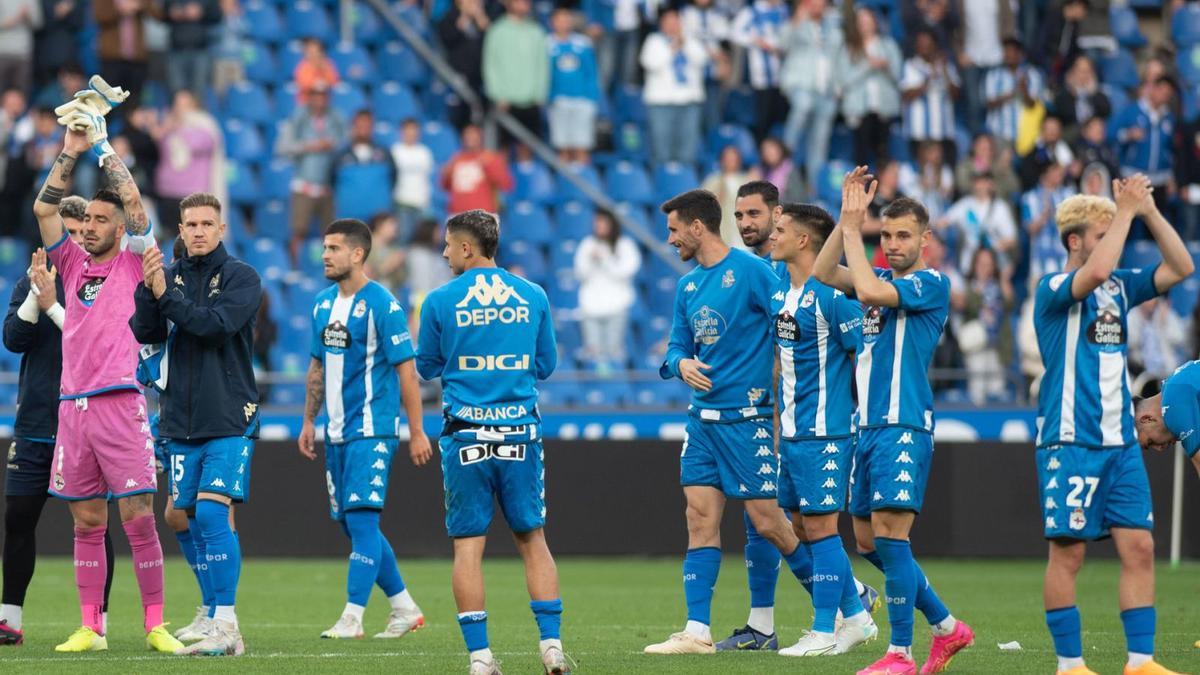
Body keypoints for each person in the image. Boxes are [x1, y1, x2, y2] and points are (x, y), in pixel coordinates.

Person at [644, 189, 832, 657]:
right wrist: (680, 364)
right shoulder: (688, 287)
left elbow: (789, 326)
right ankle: (696, 630)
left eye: (673, 230)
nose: (669, 240)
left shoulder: (753, 273)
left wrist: (777, 397)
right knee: (698, 517)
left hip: (746, 419)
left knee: (769, 523)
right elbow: (672, 349)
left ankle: (844, 607)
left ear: (696, 227)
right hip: (702, 423)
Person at [32, 85, 183, 654]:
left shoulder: (134, 258)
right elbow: (47, 208)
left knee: (139, 515)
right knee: (86, 521)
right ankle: (91, 627)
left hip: (122, 399)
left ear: (119, 228)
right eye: (87, 218)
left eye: (100, 219)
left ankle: (154, 625)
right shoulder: (69, 261)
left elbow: (138, 206)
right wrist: (69, 147)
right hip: (74, 406)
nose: (89, 225)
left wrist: (102, 147)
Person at [814, 167, 975, 675]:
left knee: (891, 537)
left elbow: (862, 287)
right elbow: (821, 274)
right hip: (869, 427)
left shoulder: (930, 283)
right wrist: (846, 221)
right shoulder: (879, 277)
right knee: (867, 542)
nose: (892, 243)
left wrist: (856, 235)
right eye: (885, 235)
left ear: (925, 239)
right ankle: (948, 628)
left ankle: (900, 653)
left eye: (902, 235)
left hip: (904, 423)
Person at [1033, 178, 1192, 675]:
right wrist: (1123, 211)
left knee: (1140, 546)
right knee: (1069, 553)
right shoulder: (1053, 288)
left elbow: (1183, 266)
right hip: (1070, 438)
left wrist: (1147, 211)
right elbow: (1097, 267)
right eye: (1103, 234)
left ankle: (1140, 662)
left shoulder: (1118, 287)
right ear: (1074, 241)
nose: (1115, 243)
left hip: (1119, 440)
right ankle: (1070, 664)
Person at [415, 209, 569, 675]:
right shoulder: (533, 294)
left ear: (467, 247)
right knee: (533, 540)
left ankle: (481, 658)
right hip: (520, 432)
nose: (443, 252)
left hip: (465, 435)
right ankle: (552, 649)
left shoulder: (440, 300)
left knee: (468, 548)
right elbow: (546, 365)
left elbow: (425, 367)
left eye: (447, 245)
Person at [129, 192, 260, 656]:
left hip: (228, 414)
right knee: (183, 514)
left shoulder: (243, 278)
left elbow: (213, 326)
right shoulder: (171, 276)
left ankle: (228, 625)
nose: (199, 231)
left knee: (209, 512)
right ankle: (210, 613)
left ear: (222, 229)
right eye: (191, 224)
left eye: (208, 223)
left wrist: (165, 296)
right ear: (180, 231)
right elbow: (145, 331)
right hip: (180, 419)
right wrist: (148, 290)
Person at [299, 219, 430, 641]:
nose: (325, 255)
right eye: (324, 247)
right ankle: (404, 607)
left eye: (334, 248)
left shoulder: (383, 304)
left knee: (362, 520)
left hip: (373, 429)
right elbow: (317, 366)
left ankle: (353, 616)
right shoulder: (321, 304)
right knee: (352, 525)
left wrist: (417, 430)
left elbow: (407, 372)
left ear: (358, 254)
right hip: (335, 432)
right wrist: (308, 420)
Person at [1, 198, 116, 646]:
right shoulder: (29, 281)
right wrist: (36, 293)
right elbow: (13, 339)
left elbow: (89, 344)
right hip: (36, 417)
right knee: (18, 517)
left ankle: (96, 623)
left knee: (92, 521)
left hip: (87, 419)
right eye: (61, 233)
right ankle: (9, 618)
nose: (69, 241)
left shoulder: (101, 283)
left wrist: (51, 303)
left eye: (76, 231)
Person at [767, 201, 879, 656]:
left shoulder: (833, 300)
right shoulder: (780, 296)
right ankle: (855, 617)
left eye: (779, 230)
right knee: (796, 522)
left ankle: (822, 630)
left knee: (821, 528)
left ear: (803, 240)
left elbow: (865, 357)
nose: (771, 237)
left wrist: (860, 421)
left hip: (827, 432)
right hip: (793, 433)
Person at [275, 82, 347, 262]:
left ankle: (328, 269)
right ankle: (294, 267)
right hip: (304, 184)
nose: (319, 100)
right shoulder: (299, 117)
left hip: (327, 185)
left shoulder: (335, 117)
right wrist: (309, 146)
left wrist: (332, 145)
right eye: (315, 95)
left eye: (323, 95)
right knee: (299, 230)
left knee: (330, 232)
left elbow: (346, 141)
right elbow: (282, 147)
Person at [778, 0, 840, 196]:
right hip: (801, 84)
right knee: (802, 107)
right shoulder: (797, 23)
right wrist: (797, 20)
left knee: (819, 144)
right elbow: (783, 44)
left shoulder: (833, 26)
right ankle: (782, 161)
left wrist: (838, 86)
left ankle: (813, 191)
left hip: (826, 90)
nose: (816, 5)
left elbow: (839, 55)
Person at [152, 90, 225, 241]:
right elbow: (159, 145)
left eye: (184, 104)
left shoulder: (205, 126)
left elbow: (199, 144)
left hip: (192, 194)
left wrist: (178, 127)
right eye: (177, 104)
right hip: (168, 193)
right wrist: (164, 128)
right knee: (170, 239)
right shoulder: (167, 126)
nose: (180, 108)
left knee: (191, 240)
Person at [574, 208, 640, 373]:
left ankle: (614, 389)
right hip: (590, 305)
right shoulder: (587, 244)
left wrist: (606, 259)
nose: (598, 226)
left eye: (602, 222)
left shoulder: (625, 245)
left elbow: (626, 272)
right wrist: (592, 259)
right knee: (593, 352)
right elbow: (580, 273)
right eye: (596, 222)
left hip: (617, 305)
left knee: (614, 351)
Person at [836, 6, 902, 169]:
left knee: (883, 152)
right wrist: (867, 66)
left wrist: (885, 67)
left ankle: (882, 190)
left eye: (867, 20)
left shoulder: (888, 45)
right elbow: (844, 79)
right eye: (861, 21)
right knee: (861, 154)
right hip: (859, 110)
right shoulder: (849, 47)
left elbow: (899, 77)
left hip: (883, 109)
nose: (864, 24)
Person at [640, 8, 707, 167]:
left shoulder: (690, 40)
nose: (672, 25)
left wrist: (684, 44)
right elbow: (651, 64)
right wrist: (671, 48)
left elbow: (701, 60)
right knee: (661, 150)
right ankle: (664, 185)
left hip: (689, 101)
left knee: (688, 150)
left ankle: (685, 187)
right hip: (661, 102)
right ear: (661, 23)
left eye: (675, 21)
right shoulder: (653, 41)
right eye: (668, 21)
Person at [482, 0, 548, 147]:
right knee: (503, 145)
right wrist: (497, 94)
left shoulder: (536, 32)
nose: (523, 5)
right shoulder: (497, 31)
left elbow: (542, 65)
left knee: (528, 144)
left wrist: (539, 94)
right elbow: (491, 65)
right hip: (506, 100)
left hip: (530, 100)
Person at [958, 246, 1015, 404]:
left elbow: (1009, 302)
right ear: (975, 265)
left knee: (997, 389)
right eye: (981, 264)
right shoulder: (969, 286)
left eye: (988, 264)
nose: (985, 268)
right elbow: (965, 306)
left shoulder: (997, 286)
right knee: (977, 390)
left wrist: (1003, 278)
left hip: (997, 346)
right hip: (977, 346)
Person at [547, 8, 601, 165]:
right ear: (552, 22)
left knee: (581, 145)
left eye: (566, 20)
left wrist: (591, 97)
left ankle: (582, 183)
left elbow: (591, 72)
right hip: (559, 100)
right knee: (562, 146)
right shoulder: (547, 43)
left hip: (582, 100)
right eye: (559, 20)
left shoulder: (582, 43)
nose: (563, 24)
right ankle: (564, 183)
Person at [936, 170, 1017, 272]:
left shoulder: (1000, 207)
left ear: (990, 183)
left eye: (983, 181)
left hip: (993, 267)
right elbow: (943, 222)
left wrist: (989, 250)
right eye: (977, 181)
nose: (979, 185)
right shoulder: (965, 204)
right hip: (969, 265)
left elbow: (1011, 240)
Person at [731, 0, 788, 142]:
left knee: (781, 121)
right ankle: (762, 154)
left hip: (785, 77)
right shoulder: (751, 12)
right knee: (763, 120)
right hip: (761, 76)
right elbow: (733, 32)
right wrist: (755, 41)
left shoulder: (783, 10)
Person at [900, 28, 960, 160]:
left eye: (927, 43)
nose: (924, 46)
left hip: (942, 131)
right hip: (918, 132)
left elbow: (955, 95)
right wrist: (928, 79)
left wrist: (943, 70)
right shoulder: (910, 66)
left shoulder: (946, 66)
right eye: (921, 43)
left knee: (943, 170)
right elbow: (906, 95)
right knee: (921, 169)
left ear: (935, 45)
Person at [1134, 360, 1200, 479]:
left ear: (1147, 419)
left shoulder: (1171, 408)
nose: (1160, 449)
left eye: (1150, 442)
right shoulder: (1173, 386)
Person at [333, 109, 396, 224]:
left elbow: (394, 178)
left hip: (377, 222)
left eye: (367, 125)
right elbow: (331, 181)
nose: (363, 129)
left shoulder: (384, 153)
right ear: (353, 126)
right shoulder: (341, 155)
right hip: (349, 220)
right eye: (360, 125)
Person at [983, 37, 1044, 148]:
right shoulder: (993, 75)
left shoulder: (1032, 75)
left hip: (1026, 134)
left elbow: (1033, 105)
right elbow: (989, 103)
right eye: (1005, 51)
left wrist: (1024, 90)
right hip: (1000, 133)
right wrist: (1012, 94)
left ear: (1020, 54)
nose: (1008, 54)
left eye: (1011, 51)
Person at [440, 124, 512, 216]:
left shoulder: (490, 158)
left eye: (473, 134)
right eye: (467, 135)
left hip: (482, 215)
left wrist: (489, 166)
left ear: (480, 137)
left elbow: (506, 184)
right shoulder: (455, 159)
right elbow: (445, 186)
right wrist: (446, 174)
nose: (470, 138)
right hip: (457, 215)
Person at [701, 145, 757, 248]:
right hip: (722, 235)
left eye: (733, 158)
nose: (730, 161)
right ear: (721, 160)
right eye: (727, 158)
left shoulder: (746, 179)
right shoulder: (713, 180)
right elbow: (704, 208)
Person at [162, 0, 220, 95]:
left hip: (200, 50)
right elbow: (162, 15)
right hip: (176, 50)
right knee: (176, 93)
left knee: (198, 93)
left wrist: (201, 12)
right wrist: (171, 13)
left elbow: (217, 16)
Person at [392, 118, 434, 243]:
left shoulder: (425, 153)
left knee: (421, 241)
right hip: (401, 202)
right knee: (403, 238)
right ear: (401, 131)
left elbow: (429, 178)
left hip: (421, 203)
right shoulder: (395, 151)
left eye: (413, 130)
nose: (411, 133)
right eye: (407, 130)